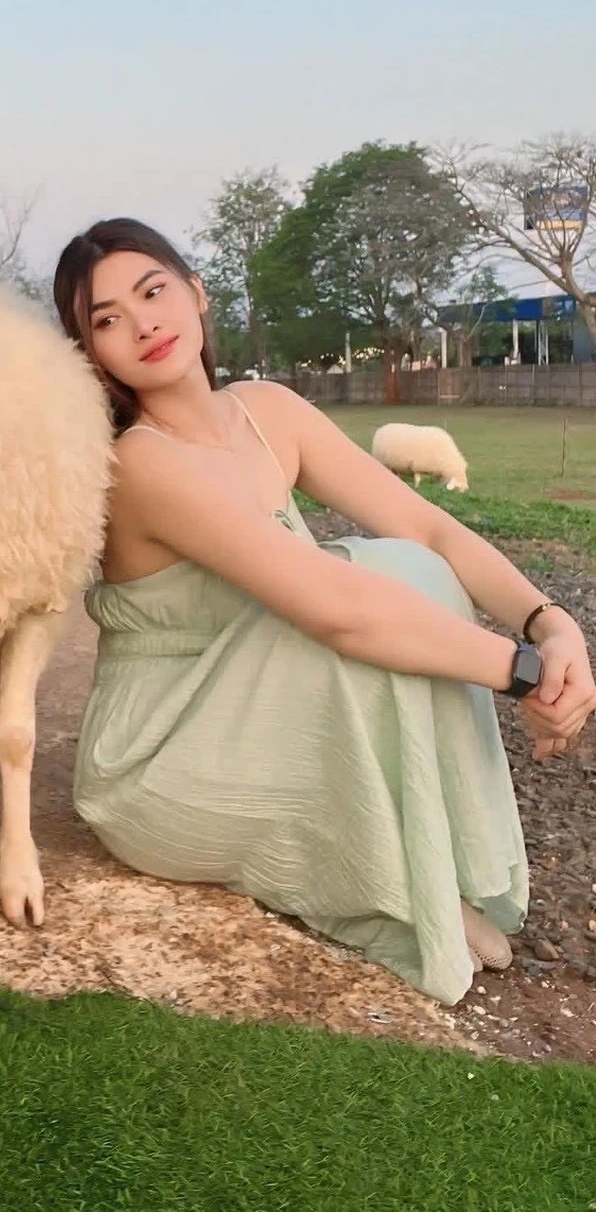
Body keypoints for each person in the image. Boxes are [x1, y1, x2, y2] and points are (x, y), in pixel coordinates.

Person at [51, 217, 596, 1005]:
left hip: (260, 703)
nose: (142, 324)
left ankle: (425, 863)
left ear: (197, 293)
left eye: (153, 291)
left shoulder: (267, 410)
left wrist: (549, 622)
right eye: (107, 319)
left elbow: (431, 527)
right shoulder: (138, 462)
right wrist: (525, 674)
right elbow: (339, 611)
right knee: (362, 586)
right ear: (91, 354)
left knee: (411, 567)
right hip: (163, 756)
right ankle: (393, 887)